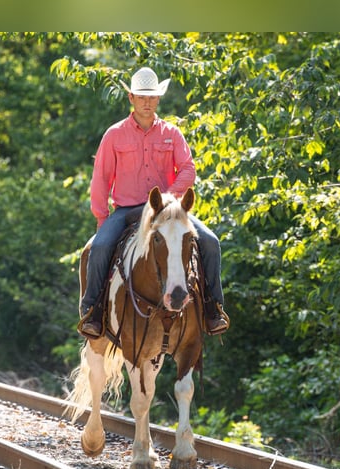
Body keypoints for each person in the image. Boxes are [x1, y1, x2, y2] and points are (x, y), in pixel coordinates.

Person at [78, 67, 229, 339]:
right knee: (99, 247)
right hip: (127, 210)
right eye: (141, 96)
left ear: (158, 99)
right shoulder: (114, 135)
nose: (147, 102)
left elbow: (188, 169)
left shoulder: (172, 133)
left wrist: (168, 199)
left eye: (152, 96)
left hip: (167, 213)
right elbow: (101, 178)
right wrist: (102, 220)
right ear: (131, 98)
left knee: (210, 241)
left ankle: (212, 309)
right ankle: (93, 312)